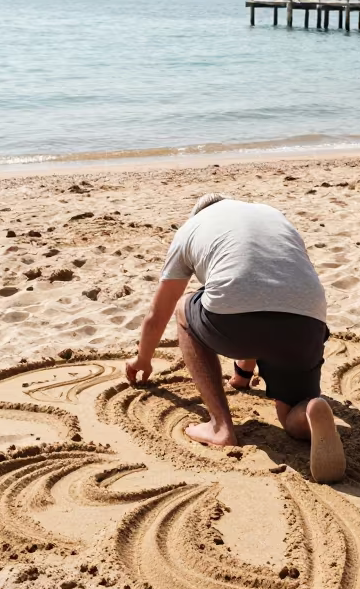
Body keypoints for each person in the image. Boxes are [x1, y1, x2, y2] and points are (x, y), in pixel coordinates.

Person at [126, 193, 345, 483]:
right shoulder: (271, 213)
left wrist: (143, 358)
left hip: (234, 319)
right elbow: (268, 289)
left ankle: (220, 427)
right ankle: (310, 413)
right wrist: (243, 374)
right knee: (290, 414)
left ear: (197, 214)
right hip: (306, 320)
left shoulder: (191, 228)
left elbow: (158, 312)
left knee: (184, 308)